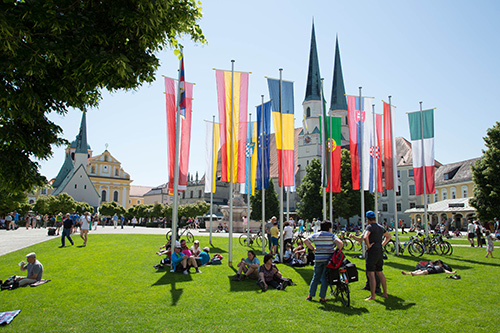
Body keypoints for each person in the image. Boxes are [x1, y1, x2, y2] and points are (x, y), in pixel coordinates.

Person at [305, 220, 343, 302]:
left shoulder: (316, 235)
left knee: (315, 276)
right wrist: (336, 251)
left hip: (318, 258)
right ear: (329, 228)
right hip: (328, 259)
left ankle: (310, 295)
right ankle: (322, 297)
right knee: (325, 278)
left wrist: (313, 248)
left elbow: (306, 241)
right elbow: (340, 244)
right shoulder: (332, 236)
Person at [363, 211, 391, 301]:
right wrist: (382, 244)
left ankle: (372, 296)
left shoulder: (369, 227)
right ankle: (385, 293)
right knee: (380, 272)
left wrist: (368, 245)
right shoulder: (380, 227)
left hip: (372, 251)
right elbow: (389, 236)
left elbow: (365, 237)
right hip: (379, 250)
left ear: (367, 219)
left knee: (371, 274)